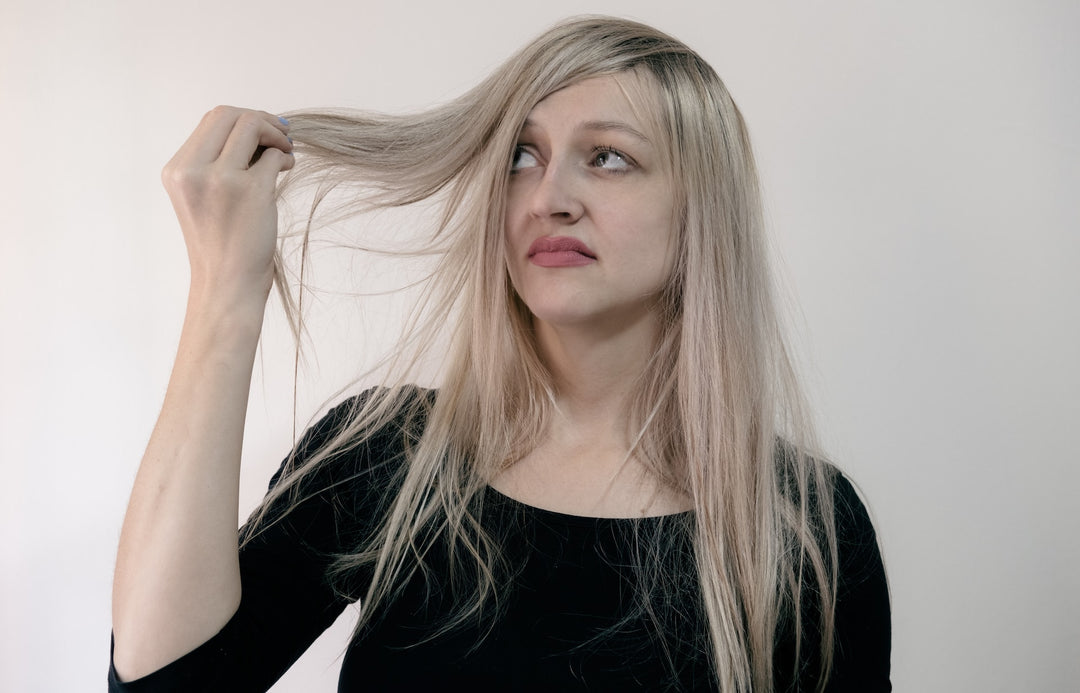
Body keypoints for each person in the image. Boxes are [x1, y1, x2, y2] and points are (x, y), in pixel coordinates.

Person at [109, 15, 890, 693]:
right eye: (522, 155)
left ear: (700, 214)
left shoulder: (801, 527)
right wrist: (225, 290)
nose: (550, 194)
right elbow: (163, 682)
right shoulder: (389, 457)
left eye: (608, 156)